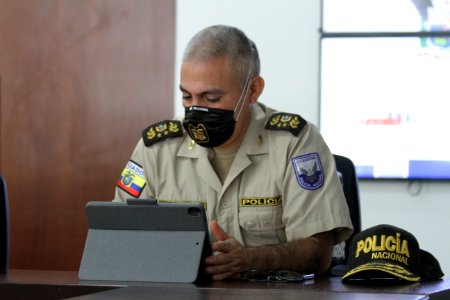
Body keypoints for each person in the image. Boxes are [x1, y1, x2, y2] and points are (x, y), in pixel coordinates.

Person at [113, 25, 353, 281]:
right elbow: (117, 237)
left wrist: (251, 260)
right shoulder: (156, 149)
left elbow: (319, 253)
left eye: (211, 98)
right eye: (186, 97)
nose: (196, 110)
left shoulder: (295, 143)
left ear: (253, 90)